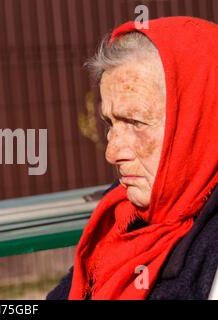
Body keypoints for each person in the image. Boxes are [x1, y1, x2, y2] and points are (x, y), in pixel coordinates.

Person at [47, 16, 218, 300]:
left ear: (199, 120)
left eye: (136, 123)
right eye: (110, 124)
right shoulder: (119, 212)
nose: (111, 153)